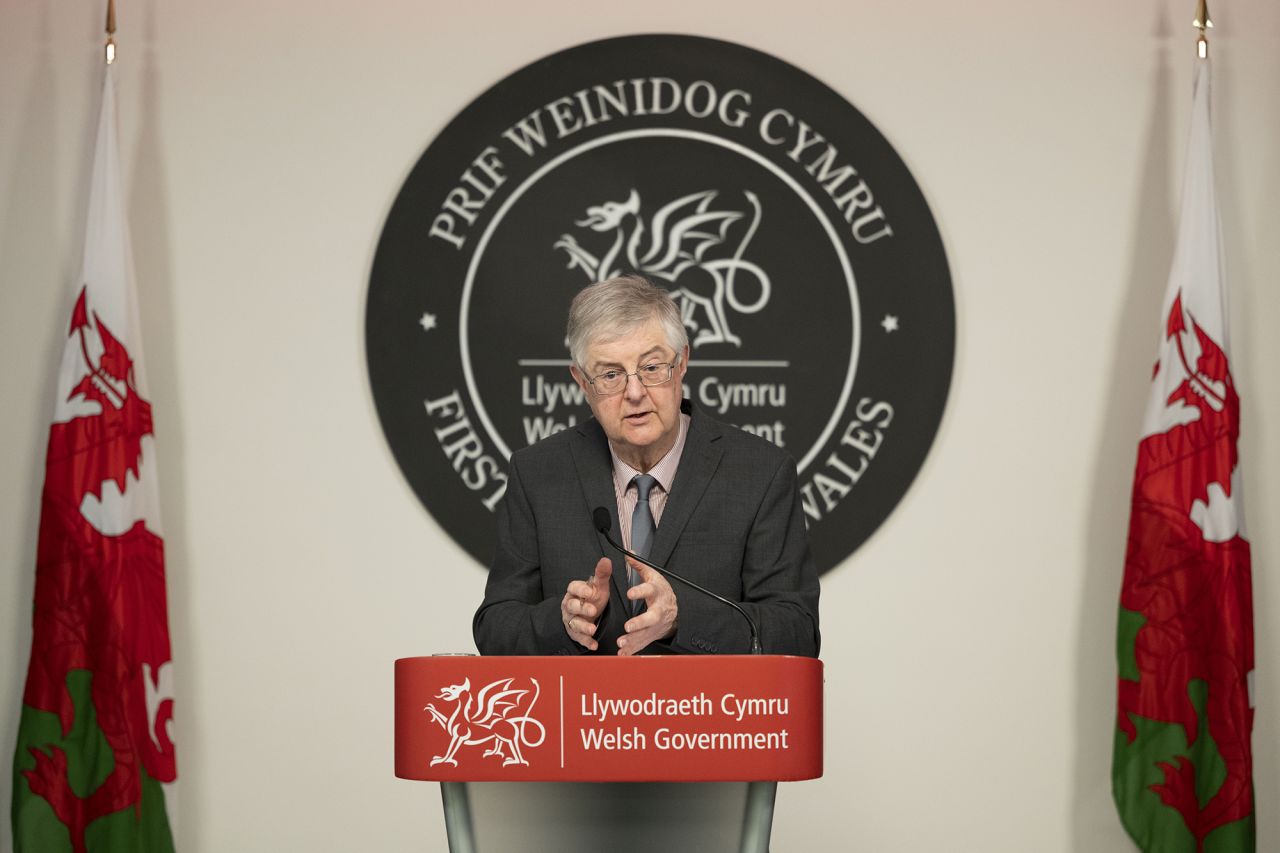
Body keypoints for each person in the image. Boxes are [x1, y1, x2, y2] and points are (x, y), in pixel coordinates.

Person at [473, 275, 820, 656]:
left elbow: (797, 632)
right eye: (610, 375)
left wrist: (682, 617)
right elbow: (495, 627)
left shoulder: (760, 473)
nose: (635, 392)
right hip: (581, 712)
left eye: (652, 367)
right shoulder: (538, 474)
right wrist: (562, 621)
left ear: (682, 361)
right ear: (581, 382)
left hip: (708, 713)